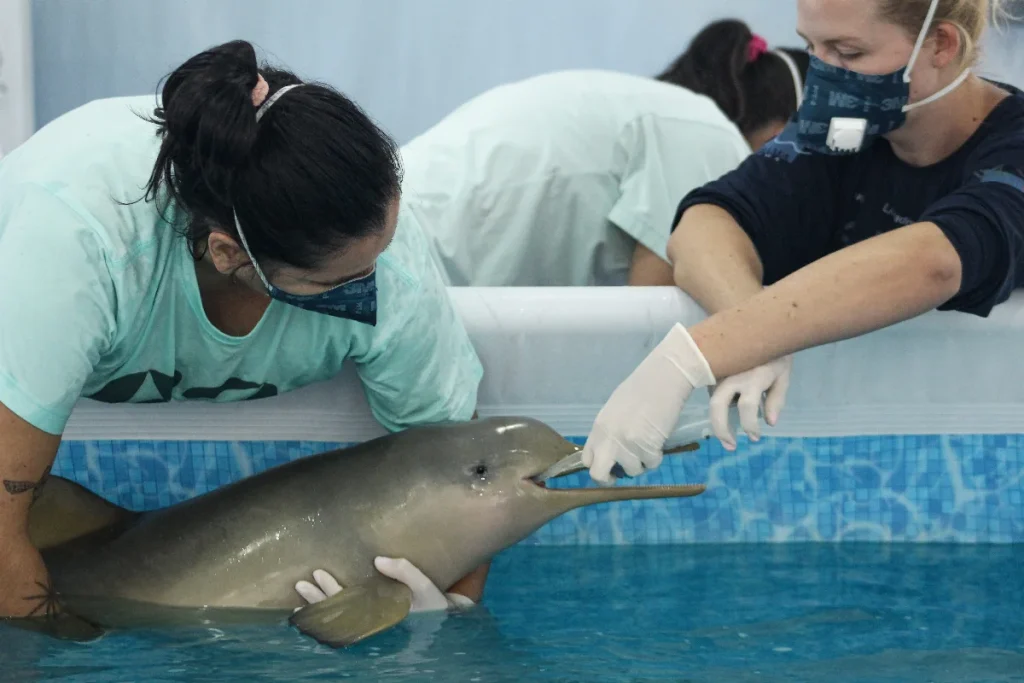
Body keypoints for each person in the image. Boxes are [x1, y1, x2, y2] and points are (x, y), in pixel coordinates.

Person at [0, 40, 488, 623]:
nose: (377, 283)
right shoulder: (76, 253)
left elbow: (464, 471)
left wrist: (452, 618)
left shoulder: (381, 254)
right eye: (338, 281)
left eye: (383, 249)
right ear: (229, 254)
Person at [581, 0, 1024, 485]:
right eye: (812, 48)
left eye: (848, 53)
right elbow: (704, 224)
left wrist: (696, 356)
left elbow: (935, 261)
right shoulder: (840, 132)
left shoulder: (1013, 150)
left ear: (941, 44)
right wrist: (753, 337)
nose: (824, 73)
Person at [399, 20, 809, 289]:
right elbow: (650, 329)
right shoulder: (710, 138)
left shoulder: (665, 113)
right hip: (412, 254)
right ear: (780, 141)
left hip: (396, 223)